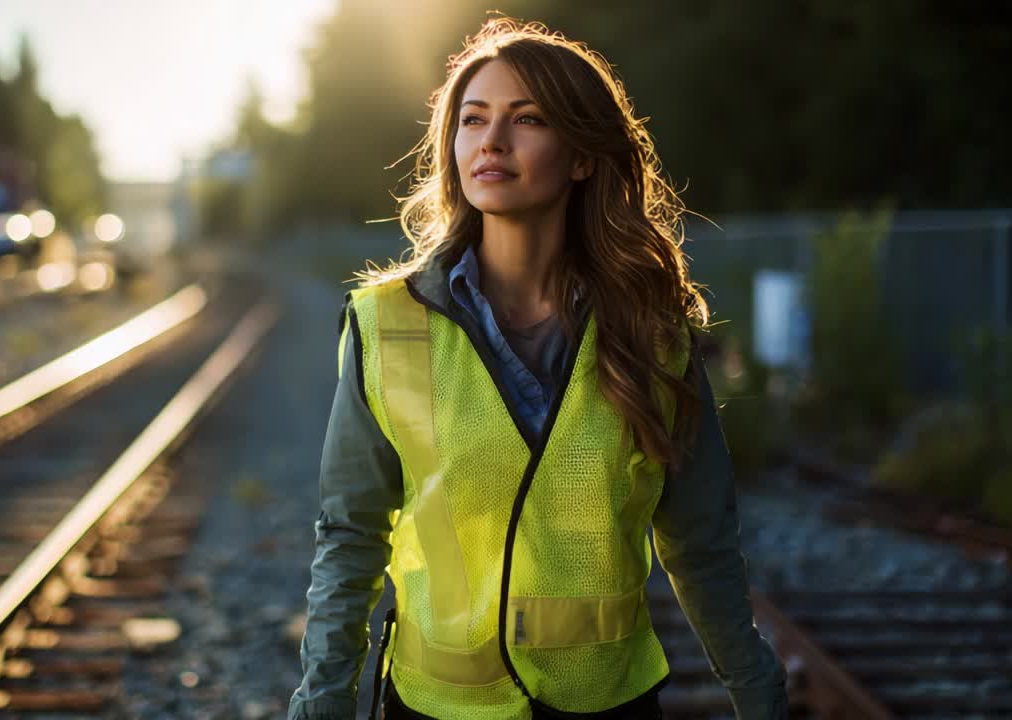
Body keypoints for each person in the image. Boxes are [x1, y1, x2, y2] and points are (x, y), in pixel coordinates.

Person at [289, 16, 789, 720]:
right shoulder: (386, 324)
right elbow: (350, 532)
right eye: (472, 119)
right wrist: (323, 698)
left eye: (527, 119)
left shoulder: (650, 333)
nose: (491, 140)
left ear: (583, 156)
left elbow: (700, 538)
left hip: (606, 703)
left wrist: (754, 686)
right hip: (438, 706)